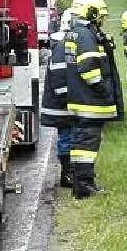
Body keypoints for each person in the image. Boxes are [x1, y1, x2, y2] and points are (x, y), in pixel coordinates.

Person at [64, 0, 118, 198]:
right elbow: (89, 69)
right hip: (90, 101)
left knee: (80, 145)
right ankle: (85, 186)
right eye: (100, 15)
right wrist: (104, 90)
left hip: (79, 99)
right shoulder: (86, 35)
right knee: (87, 143)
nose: (101, 20)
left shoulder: (74, 32)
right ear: (91, 11)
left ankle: (80, 183)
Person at [38, 10, 74, 187]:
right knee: (67, 138)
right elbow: (60, 77)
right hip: (62, 105)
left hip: (63, 104)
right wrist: (69, 99)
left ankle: (69, 172)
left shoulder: (62, 44)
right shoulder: (62, 46)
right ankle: (67, 174)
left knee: (68, 137)